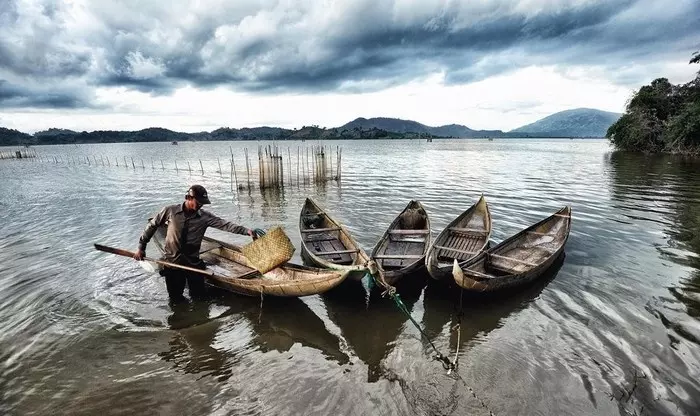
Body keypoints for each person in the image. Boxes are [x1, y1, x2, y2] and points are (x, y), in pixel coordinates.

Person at [134, 184, 261, 303]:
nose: (200, 205)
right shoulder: (170, 211)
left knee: (200, 299)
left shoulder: (205, 217)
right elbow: (152, 226)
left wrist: (246, 231)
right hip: (172, 263)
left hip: (193, 264)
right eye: (198, 202)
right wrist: (141, 247)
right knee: (175, 300)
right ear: (188, 198)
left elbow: (225, 225)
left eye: (202, 203)